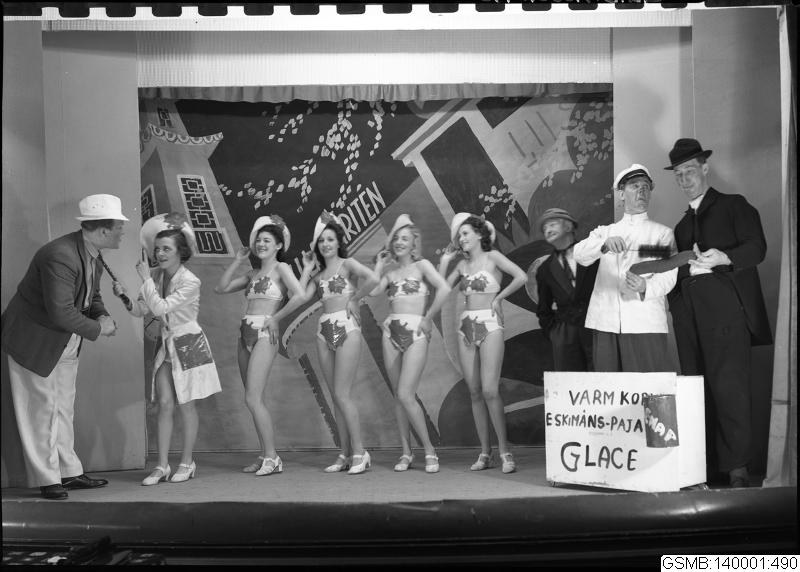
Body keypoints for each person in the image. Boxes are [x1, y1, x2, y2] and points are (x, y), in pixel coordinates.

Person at [1, 194, 126, 499]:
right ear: (104, 230)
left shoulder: (90, 252)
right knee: (40, 410)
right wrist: (100, 329)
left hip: (64, 340)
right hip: (34, 342)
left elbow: (90, 297)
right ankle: (48, 478)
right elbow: (61, 311)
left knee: (62, 408)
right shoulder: (60, 254)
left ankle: (68, 472)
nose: (123, 232)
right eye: (119, 227)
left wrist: (102, 314)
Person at [665, 138, 771, 488]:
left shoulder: (733, 206)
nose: (684, 179)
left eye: (689, 171)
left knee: (729, 388)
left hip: (725, 311)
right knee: (696, 389)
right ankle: (705, 468)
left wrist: (725, 257)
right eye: (678, 174)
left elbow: (757, 247)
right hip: (689, 316)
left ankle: (737, 469)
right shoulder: (680, 228)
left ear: (705, 168)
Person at [115, 213, 222, 486]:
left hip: (190, 343)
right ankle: (162, 466)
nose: (159, 254)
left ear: (180, 252)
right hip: (167, 344)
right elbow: (142, 310)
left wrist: (145, 280)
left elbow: (161, 307)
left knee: (187, 405)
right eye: (157, 249)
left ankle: (187, 462)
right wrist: (125, 297)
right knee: (163, 404)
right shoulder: (154, 275)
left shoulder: (191, 281)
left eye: (166, 249)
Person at [214, 215, 311, 476]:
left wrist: (276, 318)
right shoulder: (252, 273)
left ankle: (272, 457)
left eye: (267, 240)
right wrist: (237, 260)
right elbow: (220, 288)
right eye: (259, 240)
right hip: (244, 333)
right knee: (253, 398)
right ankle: (265, 453)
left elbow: (300, 295)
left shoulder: (282, 268)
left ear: (279, 245)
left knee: (252, 398)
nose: (261, 244)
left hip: (265, 334)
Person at [438, 213, 528, 474]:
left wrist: (499, 298)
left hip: (490, 323)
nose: (461, 238)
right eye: (459, 236)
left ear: (479, 234)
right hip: (467, 325)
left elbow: (521, 276)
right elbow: (441, 289)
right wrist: (444, 262)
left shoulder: (493, 257)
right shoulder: (462, 266)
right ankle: (485, 452)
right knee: (475, 392)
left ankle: (505, 451)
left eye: (465, 233)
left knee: (490, 390)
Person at [573, 164, 678, 372]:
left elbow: (668, 275)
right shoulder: (604, 232)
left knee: (647, 387)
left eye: (646, 187)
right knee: (608, 387)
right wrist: (603, 245)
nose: (641, 191)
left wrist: (646, 286)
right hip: (605, 323)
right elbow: (579, 254)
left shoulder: (662, 234)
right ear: (621, 194)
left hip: (645, 323)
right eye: (634, 186)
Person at [369, 214, 451, 474]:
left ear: (414, 242)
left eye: (405, 238)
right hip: (390, 333)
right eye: (396, 238)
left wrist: (428, 318)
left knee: (406, 393)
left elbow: (444, 289)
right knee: (398, 396)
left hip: (416, 331)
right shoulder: (390, 272)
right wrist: (378, 266)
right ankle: (406, 452)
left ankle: (429, 450)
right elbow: (372, 291)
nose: (400, 242)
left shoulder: (423, 265)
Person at [300, 211, 379, 475]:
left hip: (346, 327)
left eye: (330, 239)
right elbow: (299, 295)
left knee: (343, 394)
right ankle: (344, 453)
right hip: (324, 330)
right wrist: (307, 269)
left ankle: (360, 452)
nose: (326, 244)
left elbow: (374, 279)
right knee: (335, 395)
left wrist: (355, 298)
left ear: (338, 241)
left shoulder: (348, 264)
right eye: (322, 240)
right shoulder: (318, 275)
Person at [534, 208, 599, 371]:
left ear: (569, 226)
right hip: (565, 335)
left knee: (602, 377)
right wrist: (555, 335)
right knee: (569, 382)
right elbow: (543, 308)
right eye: (544, 228)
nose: (548, 230)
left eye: (552, 224)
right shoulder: (544, 269)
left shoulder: (594, 252)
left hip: (598, 327)